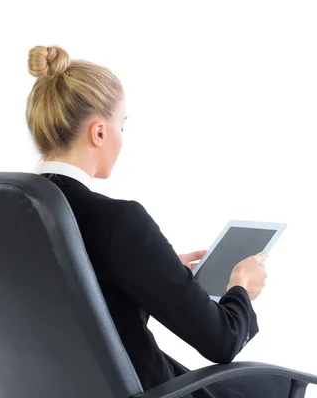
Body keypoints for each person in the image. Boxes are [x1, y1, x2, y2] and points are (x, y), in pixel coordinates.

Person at [25, 45, 291, 397]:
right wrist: (240, 289)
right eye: (122, 126)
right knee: (279, 387)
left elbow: (75, 306)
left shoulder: (9, 214)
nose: (122, 138)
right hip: (143, 390)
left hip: (52, 388)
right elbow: (222, 341)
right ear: (99, 133)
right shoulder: (117, 222)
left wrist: (145, 271)